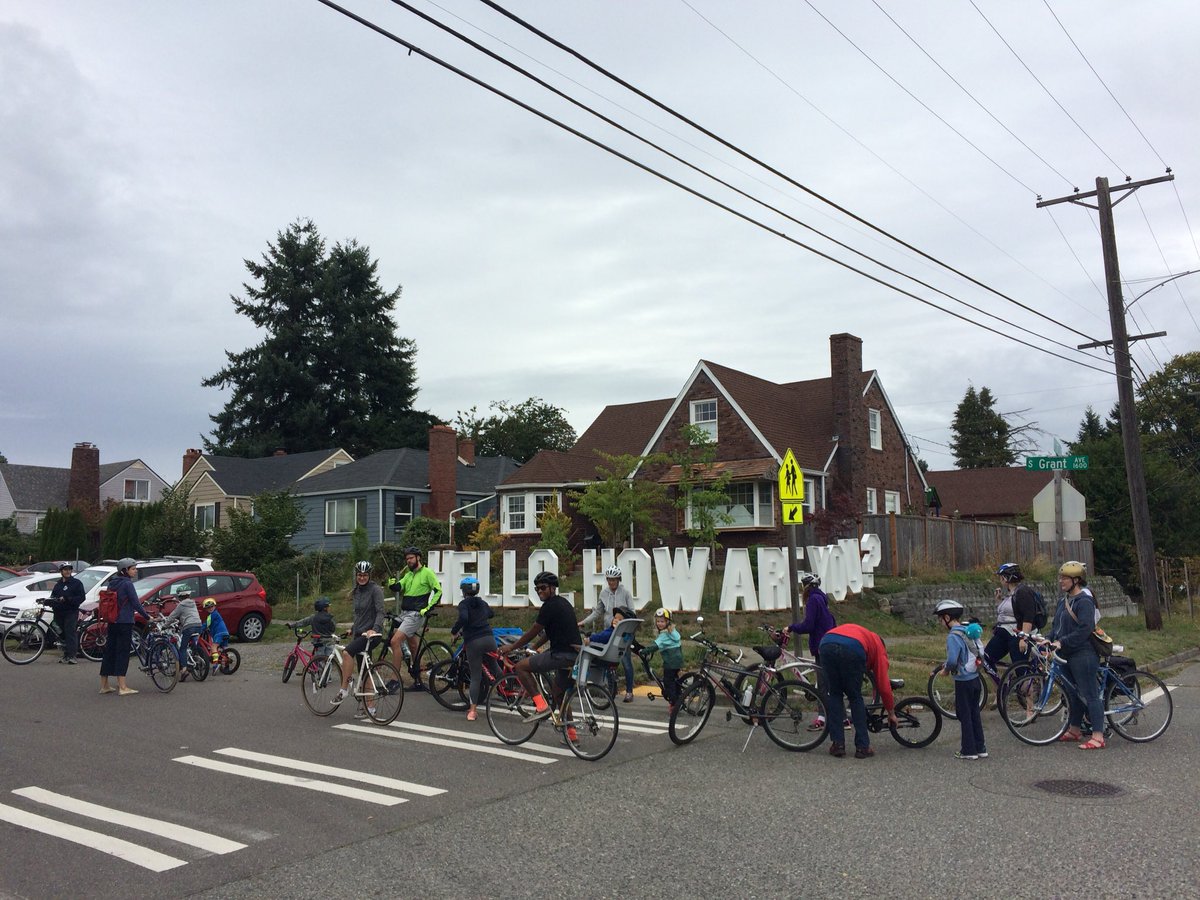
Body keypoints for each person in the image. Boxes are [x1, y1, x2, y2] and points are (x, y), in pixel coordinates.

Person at [502, 571, 581, 723]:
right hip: (574, 657)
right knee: (558, 693)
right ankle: (571, 734)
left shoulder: (549, 606)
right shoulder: (563, 603)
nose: (539, 591)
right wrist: (534, 647)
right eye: (536, 589)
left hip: (561, 655)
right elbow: (549, 634)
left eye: (543, 588)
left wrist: (511, 647)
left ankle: (541, 706)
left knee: (520, 667)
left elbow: (534, 630)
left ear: (553, 588)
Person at [1048, 560, 1106, 750]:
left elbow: (1085, 629)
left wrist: (1062, 642)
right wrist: (1048, 640)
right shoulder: (1062, 601)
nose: (1061, 581)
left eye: (1065, 578)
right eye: (1061, 577)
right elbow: (1056, 627)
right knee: (1073, 694)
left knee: (1089, 694)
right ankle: (1074, 729)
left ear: (1076, 580)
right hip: (1065, 653)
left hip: (1083, 653)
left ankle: (1098, 735)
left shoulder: (1084, 601)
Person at [818, 623, 897, 759]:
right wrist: (891, 712)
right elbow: (883, 685)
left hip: (826, 644)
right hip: (853, 648)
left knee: (835, 694)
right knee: (855, 697)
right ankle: (862, 747)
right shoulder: (878, 647)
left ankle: (838, 745)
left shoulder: (864, 633)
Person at [935, 600, 987, 760]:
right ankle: (980, 748)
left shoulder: (953, 636)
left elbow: (952, 660)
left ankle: (968, 750)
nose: (940, 622)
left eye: (940, 619)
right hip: (975, 679)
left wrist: (945, 671)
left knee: (964, 715)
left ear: (947, 617)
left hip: (963, 681)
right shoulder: (967, 630)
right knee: (974, 713)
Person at [387, 547, 443, 690]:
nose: (409, 561)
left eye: (411, 558)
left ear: (418, 558)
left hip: (415, 615)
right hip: (405, 613)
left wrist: (428, 608)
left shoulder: (427, 573)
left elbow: (438, 591)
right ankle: (418, 679)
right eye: (407, 559)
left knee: (395, 641)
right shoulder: (409, 574)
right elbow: (399, 587)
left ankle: (395, 680)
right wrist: (393, 584)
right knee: (413, 647)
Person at [579, 565, 636, 702]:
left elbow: (632, 613)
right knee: (606, 660)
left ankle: (629, 691)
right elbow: (598, 611)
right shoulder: (604, 593)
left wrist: (629, 630)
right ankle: (608, 688)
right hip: (609, 631)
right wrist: (583, 622)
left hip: (622, 633)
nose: (611, 583)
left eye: (614, 580)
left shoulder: (626, 593)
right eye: (609, 580)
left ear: (619, 579)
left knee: (626, 661)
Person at [787, 572, 836, 730]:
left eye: (803, 586)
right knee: (827, 684)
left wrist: (791, 627)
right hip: (828, 642)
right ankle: (838, 717)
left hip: (821, 645)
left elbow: (808, 625)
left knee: (824, 686)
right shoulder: (821, 598)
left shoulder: (813, 600)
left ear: (807, 586)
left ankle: (825, 719)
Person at [335, 561, 386, 714]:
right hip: (359, 634)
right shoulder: (357, 591)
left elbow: (380, 612)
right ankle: (369, 707)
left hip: (372, 635)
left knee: (346, 653)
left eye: (364, 575)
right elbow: (359, 615)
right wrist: (353, 628)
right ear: (356, 576)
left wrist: (374, 629)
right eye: (359, 575)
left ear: (369, 575)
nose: (362, 577)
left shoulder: (375, 590)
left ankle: (343, 688)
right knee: (365, 672)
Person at [99, 558, 150, 696]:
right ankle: (123, 687)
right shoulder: (127, 584)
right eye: (133, 569)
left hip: (112, 621)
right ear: (125, 571)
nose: (135, 571)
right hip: (125, 622)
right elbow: (135, 603)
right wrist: (147, 617)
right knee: (122, 652)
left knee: (110, 652)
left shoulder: (112, 583)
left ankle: (104, 685)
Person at [451, 575, 494, 722]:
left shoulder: (464, 604)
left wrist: (454, 631)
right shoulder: (482, 602)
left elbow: (463, 618)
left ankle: (472, 711)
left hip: (474, 642)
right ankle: (509, 690)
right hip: (489, 639)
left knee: (476, 676)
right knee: (494, 668)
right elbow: (491, 614)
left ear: (464, 591)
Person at [989, 563, 1038, 672]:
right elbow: (1009, 613)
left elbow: (1028, 616)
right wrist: (999, 600)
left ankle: (1027, 688)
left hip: (1017, 635)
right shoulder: (1011, 593)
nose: (1000, 580)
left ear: (1005, 578)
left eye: (1001, 577)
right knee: (987, 658)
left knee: (1020, 669)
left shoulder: (1023, 592)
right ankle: (1003, 687)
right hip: (1004, 634)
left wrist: (1024, 638)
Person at [48, 562, 84, 664]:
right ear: (61, 571)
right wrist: (49, 602)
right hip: (59, 613)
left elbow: (81, 597)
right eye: (65, 569)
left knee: (70, 633)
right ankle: (66, 654)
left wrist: (68, 599)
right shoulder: (58, 584)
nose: (68, 571)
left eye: (69, 569)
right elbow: (53, 596)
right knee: (61, 634)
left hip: (71, 612)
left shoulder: (76, 583)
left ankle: (72, 656)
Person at [648, 607, 683, 712]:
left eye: (662, 621)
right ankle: (680, 695)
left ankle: (674, 703)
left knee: (668, 682)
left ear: (668, 622)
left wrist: (645, 650)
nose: (659, 623)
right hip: (678, 661)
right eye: (658, 621)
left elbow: (655, 645)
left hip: (670, 662)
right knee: (674, 680)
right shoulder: (673, 631)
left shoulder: (664, 634)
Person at [164, 592, 202, 677]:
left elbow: (172, 616)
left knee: (183, 648)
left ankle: (184, 669)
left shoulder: (181, 605)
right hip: (199, 625)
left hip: (189, 627)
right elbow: (188, 614)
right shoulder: (193, 603)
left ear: (180, 598)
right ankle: (197, 658)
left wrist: (165, 626)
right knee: (193, 644)